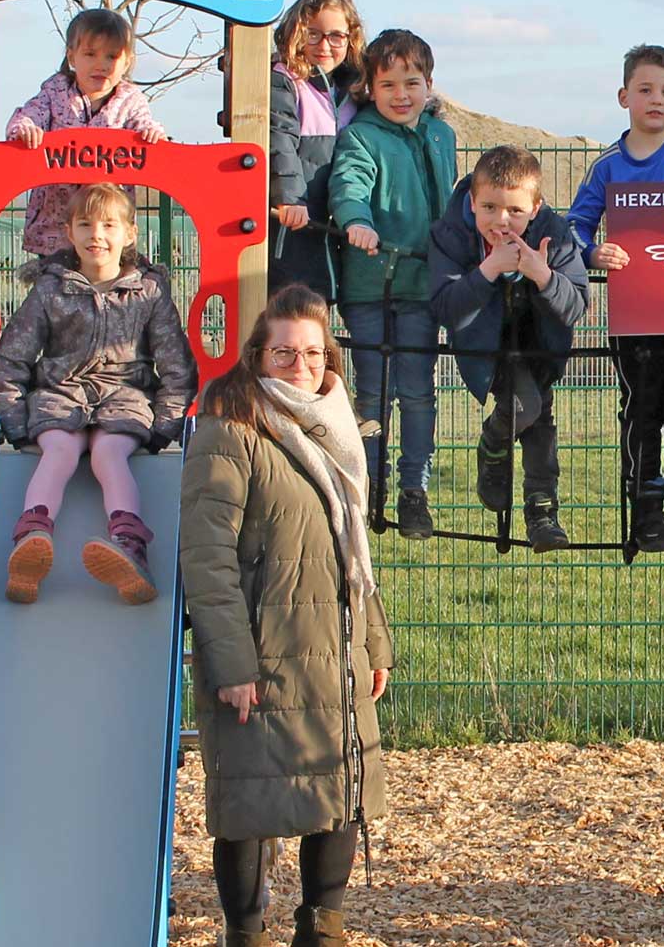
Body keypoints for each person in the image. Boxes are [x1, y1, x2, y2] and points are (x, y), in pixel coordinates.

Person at [181, 283, 395, 947]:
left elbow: (351, 544)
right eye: (282, 353)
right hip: (264, 649)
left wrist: (376, 645)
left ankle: (322, 926)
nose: (299, 366)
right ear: (257, 354)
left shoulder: (332, 421)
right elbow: (206, 555)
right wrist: (230, 662)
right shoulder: (231, 425)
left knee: (340, 794)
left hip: (336, 644)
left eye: (310, 352)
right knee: (248, 804)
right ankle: (245, 932)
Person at [0, 183, 198, 606]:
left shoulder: (148, 292)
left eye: (108, 225)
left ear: (130, 234)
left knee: (109, 454)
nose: (96, 235)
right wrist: (15, 424)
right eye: (85, 224)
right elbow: (12, 358)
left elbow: (176, 364)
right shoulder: (51, 290)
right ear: (68, 232)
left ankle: (128, 547)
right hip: (60, 396)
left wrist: (164, 427)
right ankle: (31, 541)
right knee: (60, 451)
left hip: (124, 396)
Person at [566, 44, 664, 551]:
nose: (656, 99)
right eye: (645, 90)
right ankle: (646, 510)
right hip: (634, 312)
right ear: (624, 96)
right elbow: (575, 226)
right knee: (641, 406)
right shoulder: (608, 165)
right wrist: (594, 254)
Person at [326, 29, 457, 538]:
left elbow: (451, 200)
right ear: (371, 88)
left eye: (412, 82)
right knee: (373, 394)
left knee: (419, 392)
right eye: (389, 85)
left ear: (428, 84)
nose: (401, 94)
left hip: (426, 284)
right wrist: (356, 219)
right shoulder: (362, 135)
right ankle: (371, 483)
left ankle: (414, 489)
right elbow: (349, 182)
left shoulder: (440, 135)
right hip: (371, 284)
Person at [429, 146, 589, 552]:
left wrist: (542, 274)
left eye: (515, 211)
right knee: (525, 407)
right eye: (489, 207)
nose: (501, 220)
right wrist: (488, 270)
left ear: (535, 208)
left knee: (540, 420)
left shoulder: (557, 233)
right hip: (487, 344)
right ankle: (493, 445)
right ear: (472, 202)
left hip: (540, 340)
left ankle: (542, 511)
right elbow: (445, 306)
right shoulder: (450, 234)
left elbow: (575, 305)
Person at [3, 9, 168, 258]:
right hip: (57, 220)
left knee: (105, 279)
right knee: (56, 282)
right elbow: (29, 114)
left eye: (111, 56)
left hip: (106, 220)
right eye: (90, 54)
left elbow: (143, 124)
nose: (100, 65)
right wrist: (25, 129)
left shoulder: (130, 100)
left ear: (127, 62)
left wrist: (151, 133)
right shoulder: (55, 92)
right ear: (72, 56)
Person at [268, 0, 368, 301]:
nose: (325, 46)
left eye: (336, 36)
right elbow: (280, 138)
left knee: (321, 303)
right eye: (313, 35)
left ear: (350, 40)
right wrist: (290, 197)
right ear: (296, 34)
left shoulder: (353, 91)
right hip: (297, 216)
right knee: (292, 302)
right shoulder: (286, 79)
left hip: (335, 220)